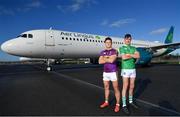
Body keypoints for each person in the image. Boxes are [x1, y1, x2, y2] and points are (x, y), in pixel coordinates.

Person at [119, 34, 140, 114]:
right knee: (125, 86)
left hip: (133, 69)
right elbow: (123, 57)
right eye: (127, 39)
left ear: (131, 40)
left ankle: (131, 101)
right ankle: (124, 104)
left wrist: (129, 55)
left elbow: (138, 55)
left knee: (132, 86)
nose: (128, 40)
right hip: (125, 69)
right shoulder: (121, 48)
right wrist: (133, 55)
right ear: (124, 39)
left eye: (129, 39)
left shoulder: (133, 48)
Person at [99, 37, 121, 113]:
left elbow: (112, 61)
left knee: (116, 88)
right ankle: (106, 102)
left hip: (113, 72)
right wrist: (108, 58)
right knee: (106, 87)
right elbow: (99, 62)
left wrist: (105, 58)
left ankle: (117, 104)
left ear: (111, 43)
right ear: (105, 43)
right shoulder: (102, 52)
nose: (108, 43)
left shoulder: (114, 51)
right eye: (107, 42)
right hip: (105, 72)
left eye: (109, 42)